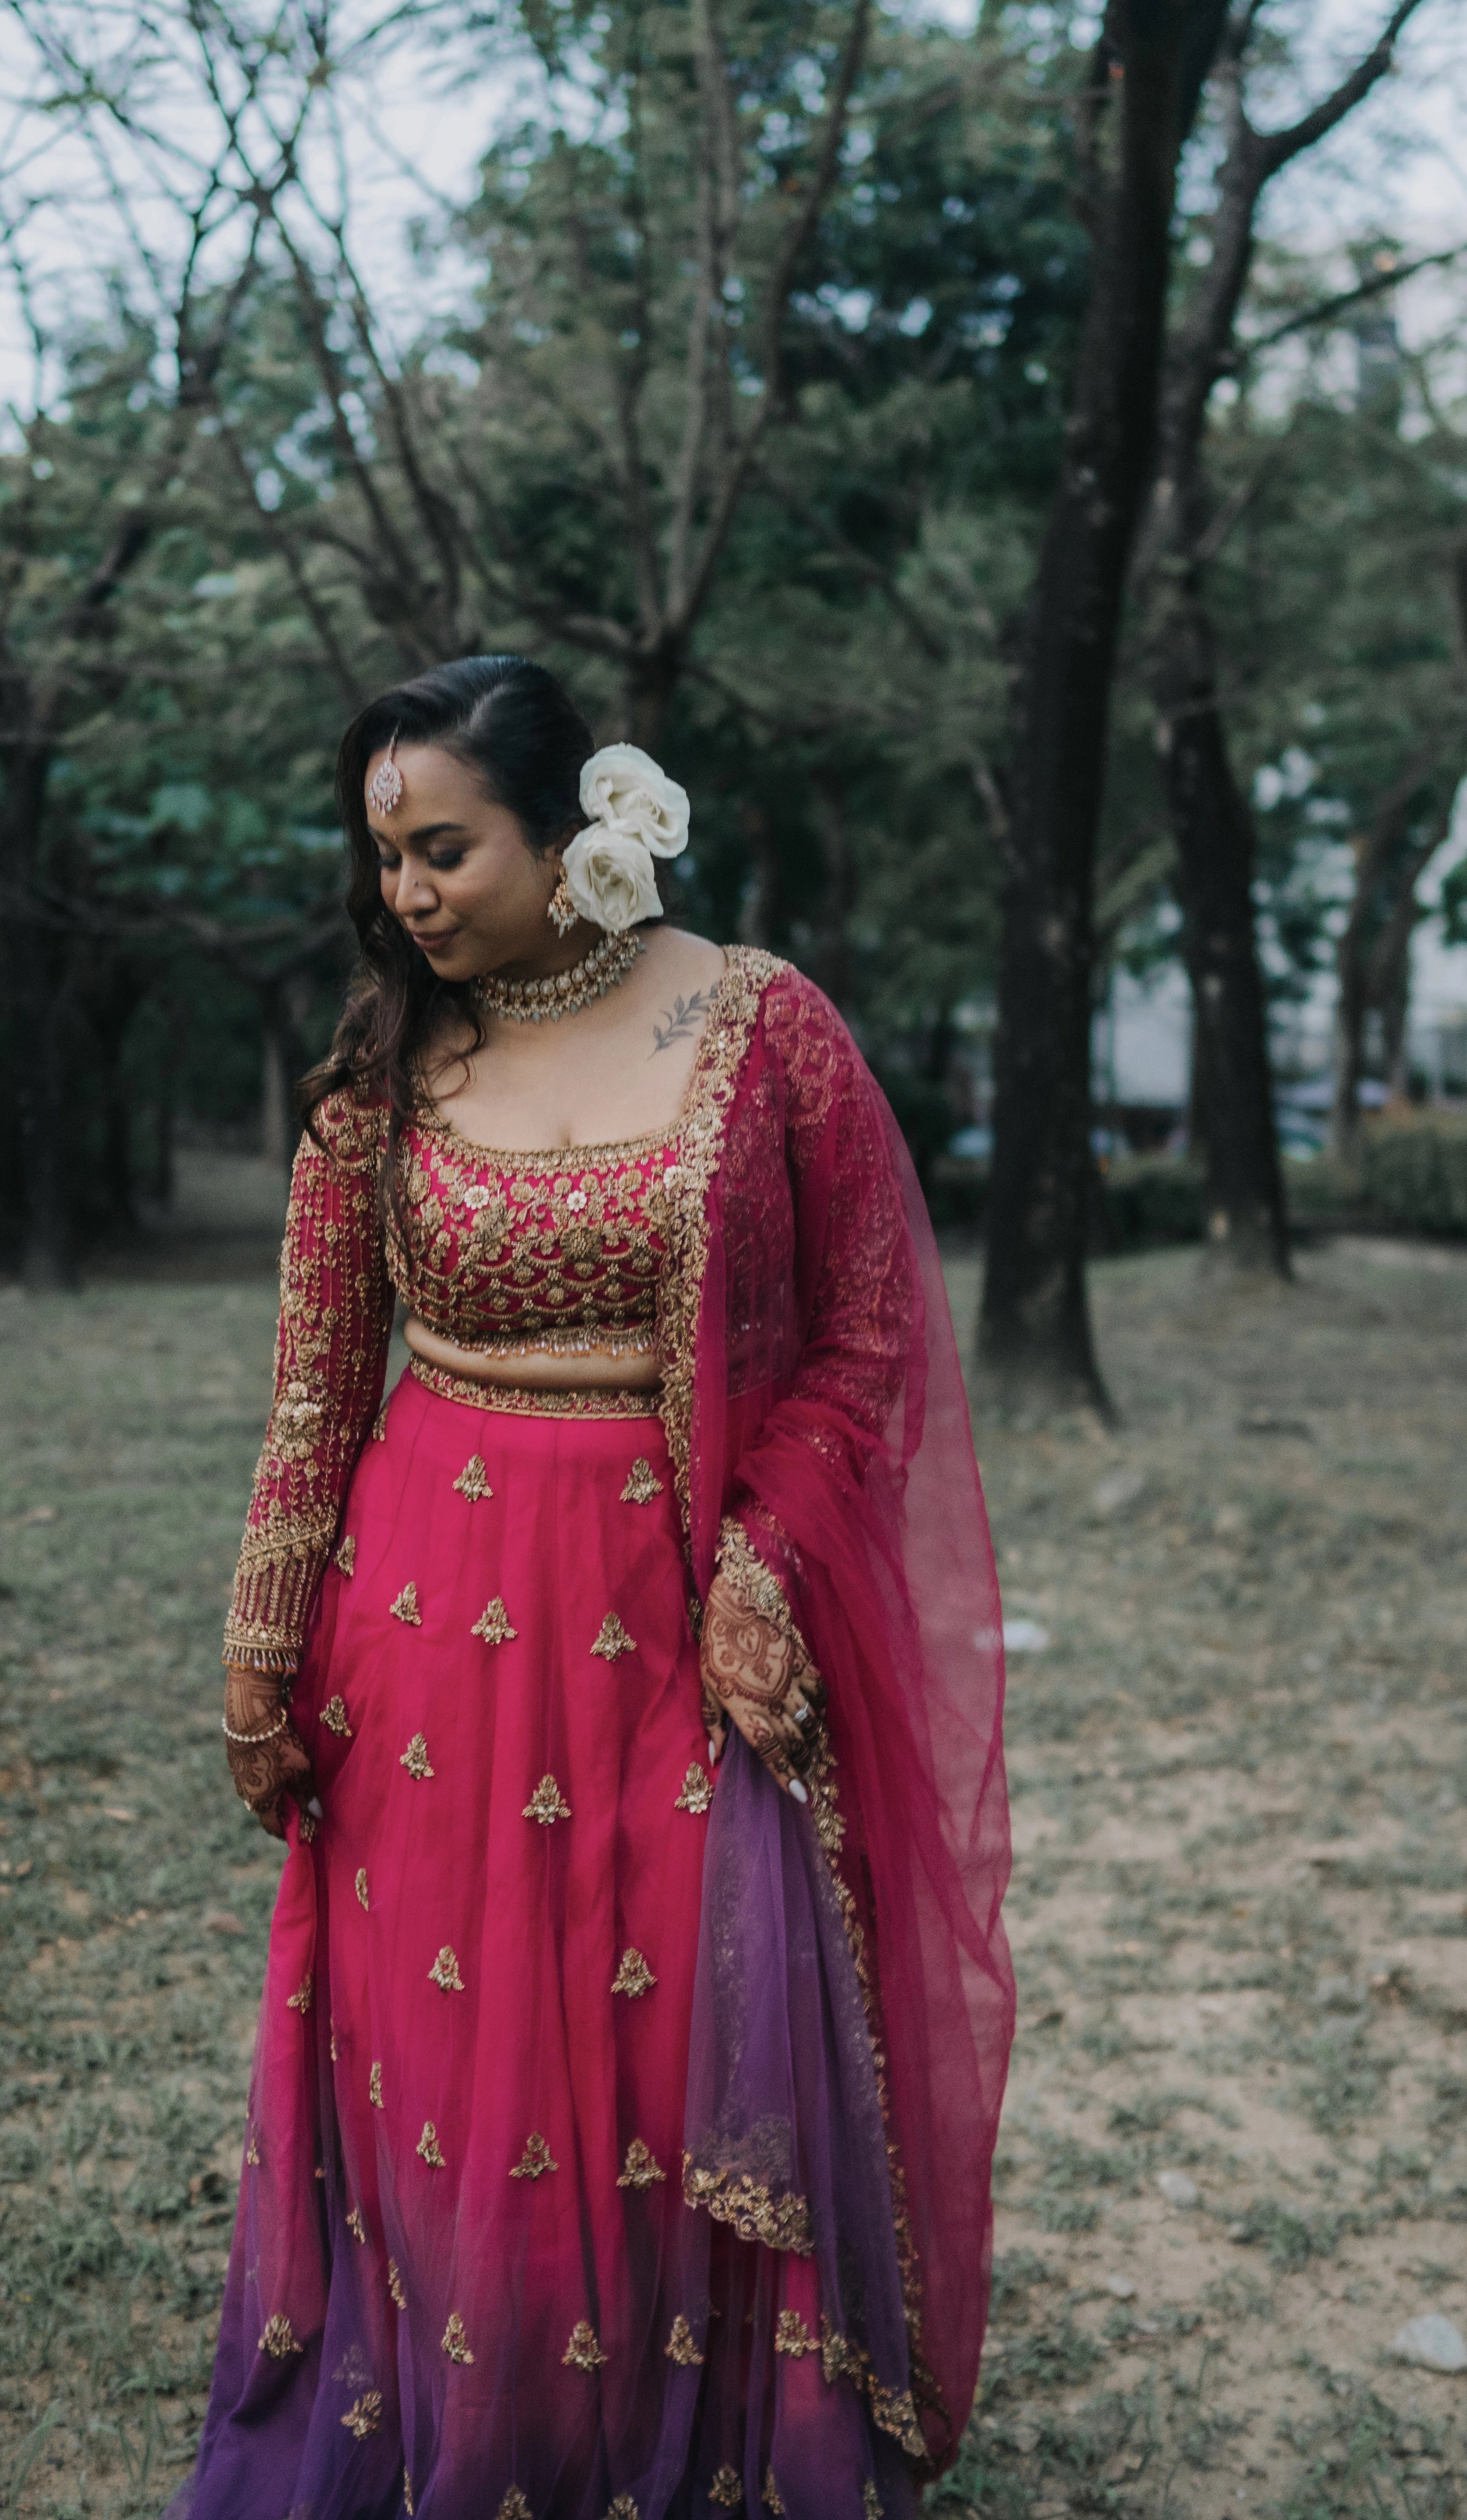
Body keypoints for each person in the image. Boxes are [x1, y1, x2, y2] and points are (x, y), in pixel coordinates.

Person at [171, 656, 1013, 2520]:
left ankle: (687, 2455)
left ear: (570, 829)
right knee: (461, 2064)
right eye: (383, 855)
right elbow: (316, 1389)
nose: (405, 894)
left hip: (679, 1625)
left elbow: (869, 1333)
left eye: (444, 848)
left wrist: (768, 1564)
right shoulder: (387, 1069)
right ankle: (484, 2444)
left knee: (658, 2053)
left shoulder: (759, 1025)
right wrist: (258, 1654)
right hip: (431, 1637)